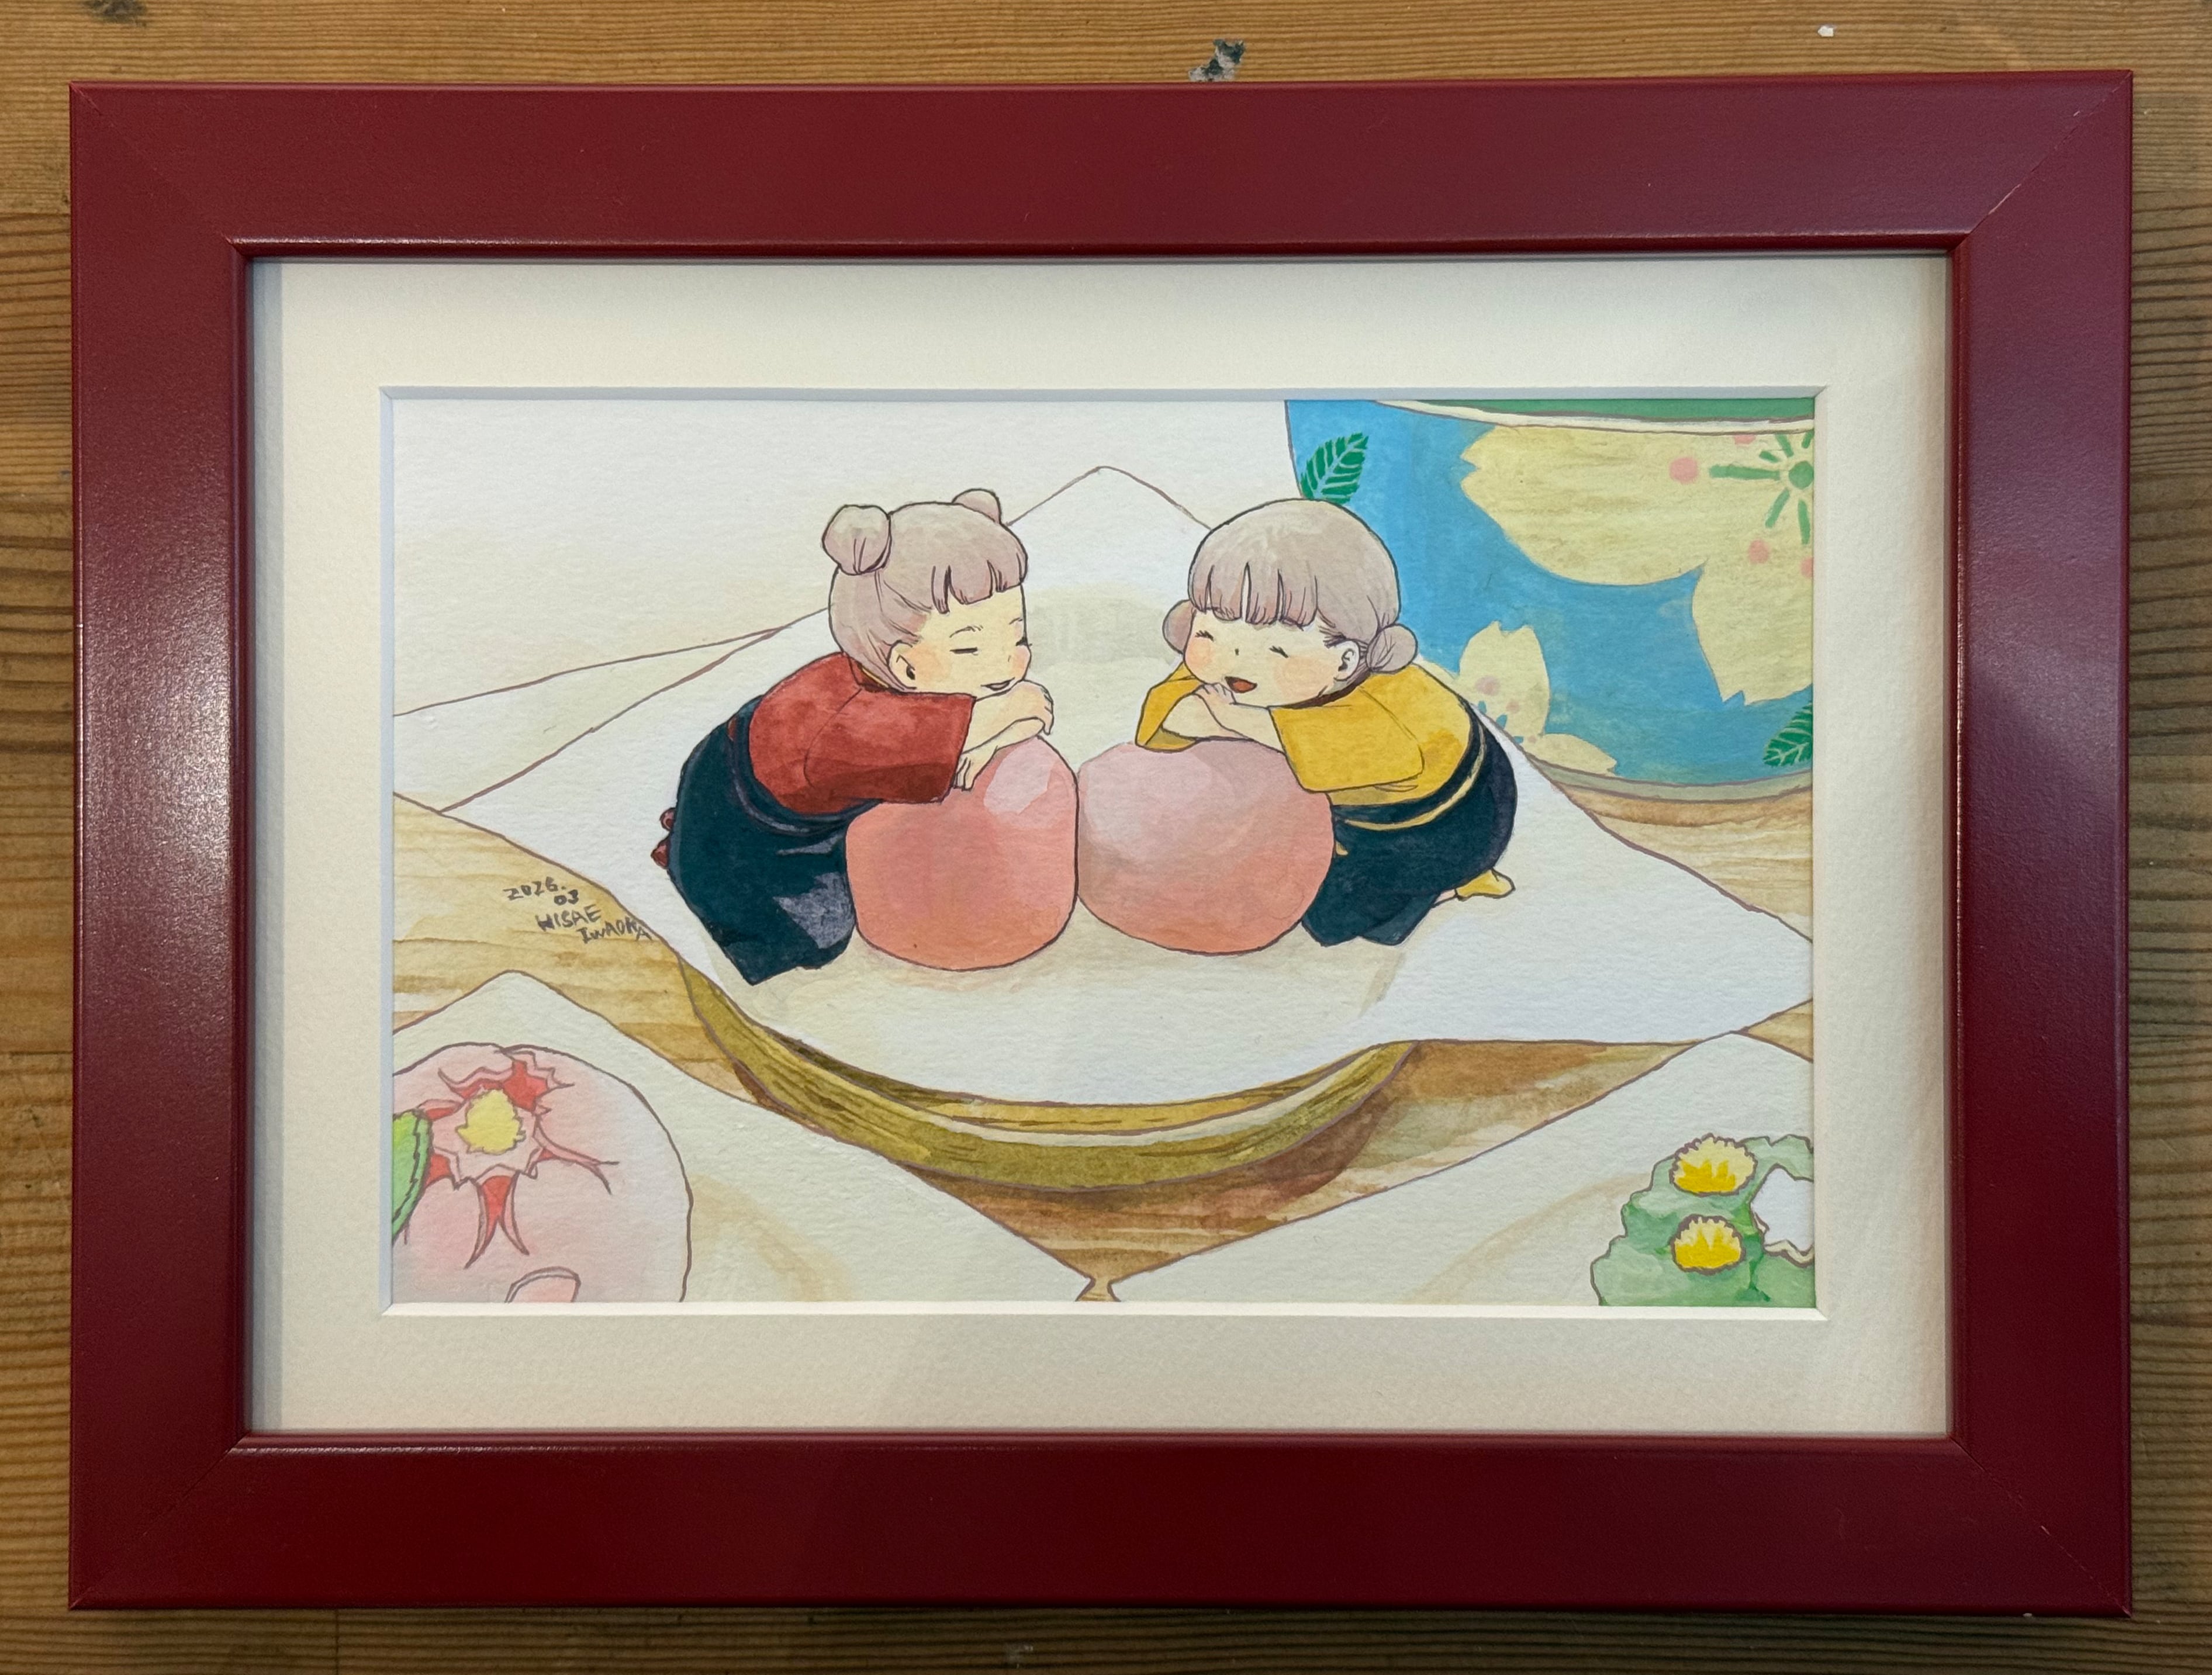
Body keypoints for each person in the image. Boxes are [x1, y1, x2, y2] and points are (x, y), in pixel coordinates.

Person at [659, 489, 1053, 983]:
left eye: (1016, 636)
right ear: (904, 665)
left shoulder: (883, 678)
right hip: (751, 840)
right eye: (969, 649)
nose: (1009, 665)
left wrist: (998, 732)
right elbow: (1021, 706)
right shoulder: (856, 725)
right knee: (818, 937)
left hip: (755, 777)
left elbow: (1021, 716)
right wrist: (1012, 713)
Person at [1132, 497, 1515, 947]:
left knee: (1325, 916)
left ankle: (1449, 885)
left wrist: (1233, 720)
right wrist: (1207, 715)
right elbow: (1166, 716)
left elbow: (1364, 752)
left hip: (1447, 824)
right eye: (1208, 635)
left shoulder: (1392, 702)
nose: (1232, 661)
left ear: (1345, 660)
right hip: (1364, 812)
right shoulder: (1237, 667)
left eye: (1275, 651)